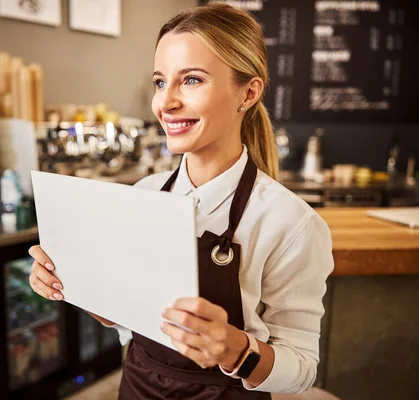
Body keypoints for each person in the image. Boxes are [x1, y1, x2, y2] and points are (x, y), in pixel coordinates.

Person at [28, 3, 334, 398]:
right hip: (136, 387)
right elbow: (127, 322)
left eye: (191, 80)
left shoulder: (290, 224)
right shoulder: (142, 196)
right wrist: (75, 285)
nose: (165, 102)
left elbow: (303, 368)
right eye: (160, 82)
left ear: (249, 91)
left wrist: (237, 351)